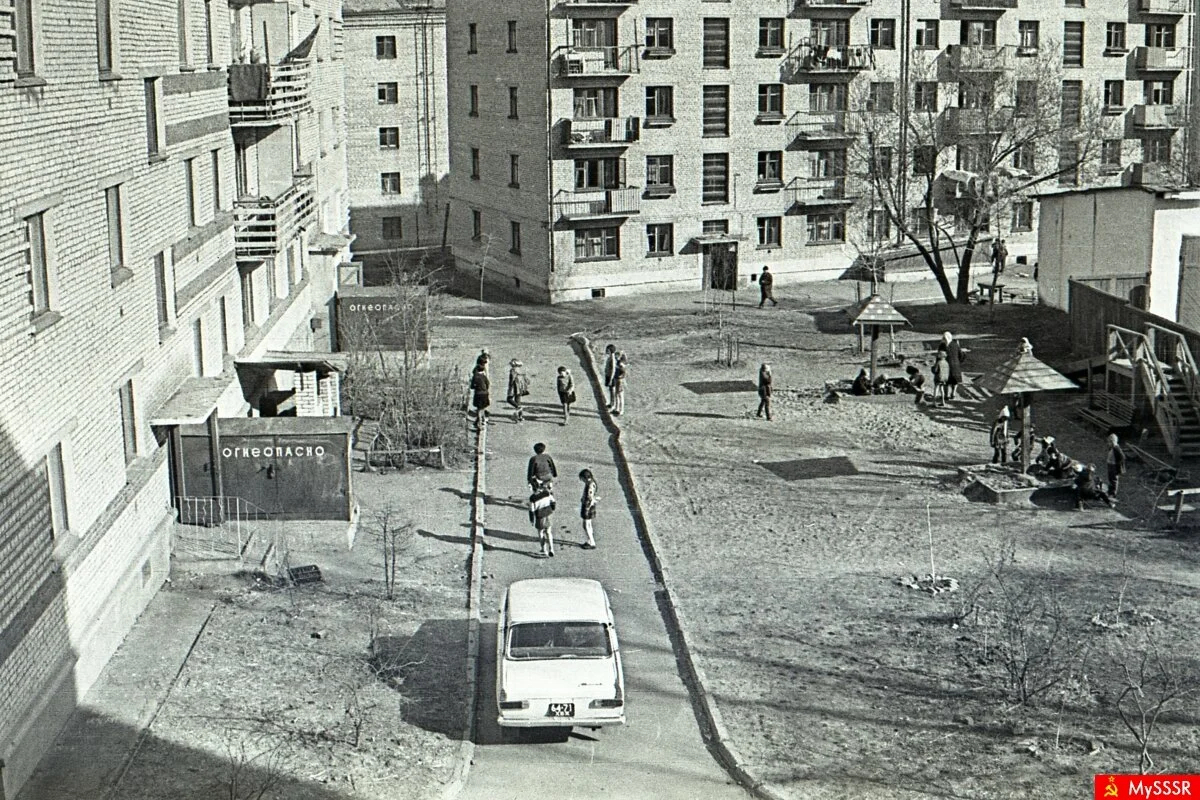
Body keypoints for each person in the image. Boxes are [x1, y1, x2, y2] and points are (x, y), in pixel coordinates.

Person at [529, 482, 557, 557]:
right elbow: (553, 501)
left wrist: (532, 520)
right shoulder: (546, 493)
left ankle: (544, 549)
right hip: (548, 514)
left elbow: (531, 510)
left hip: (540, 517)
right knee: (549, 532)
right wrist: (552, 509)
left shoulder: (533, 498)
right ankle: (551, 549)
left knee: (541, 533)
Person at [937, 331, 966, 400]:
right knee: (954, 380)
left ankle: (946, 395)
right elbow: (961, 355)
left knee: (946, 381)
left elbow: (939, 356)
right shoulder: (955, 344)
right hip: (955, 365)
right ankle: (953, 394)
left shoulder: (942, 345)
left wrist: (937, 365)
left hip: (946, 366)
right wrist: (959, 361)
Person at [578, 469, 598, 549]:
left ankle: (591, 541)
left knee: (586, 525)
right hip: (589, 505)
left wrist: (586, 507)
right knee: (588, 524)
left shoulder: (590, 485)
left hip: (587, 506)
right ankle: (590, 540)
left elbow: (589, 497)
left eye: (582, 479)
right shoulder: (592, 482)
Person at [506, 359, 530, 423]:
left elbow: (512, 380)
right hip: (520, 387)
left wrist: (510, 387)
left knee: (509, 399)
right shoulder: (521, 371)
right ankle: (520, 416)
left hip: (514, 387)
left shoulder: (513, 371)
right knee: (518, 401)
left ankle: (518, 407)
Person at [1106, 432, 1127, 498]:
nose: (1108, 443)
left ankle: (1113, 493)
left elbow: (1122, 457)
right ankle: (1110, 492)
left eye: (1109, 442)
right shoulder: (1111, 448)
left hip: (1114, 466)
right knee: (1110, 479)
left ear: (1113, 441)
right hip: (1110, 465)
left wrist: (1117, 464)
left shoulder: (1116, 448)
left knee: (1114, 480)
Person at [602, 344, 618, 410]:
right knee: (610, 390)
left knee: (612, 391)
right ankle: (611, 403)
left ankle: (613, 404)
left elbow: (613, 370)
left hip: (611, 377)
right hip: (609, 376)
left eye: (608, 350)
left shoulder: (613, 359)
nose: (606, 351)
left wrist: (611, 379)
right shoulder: (610, 357)